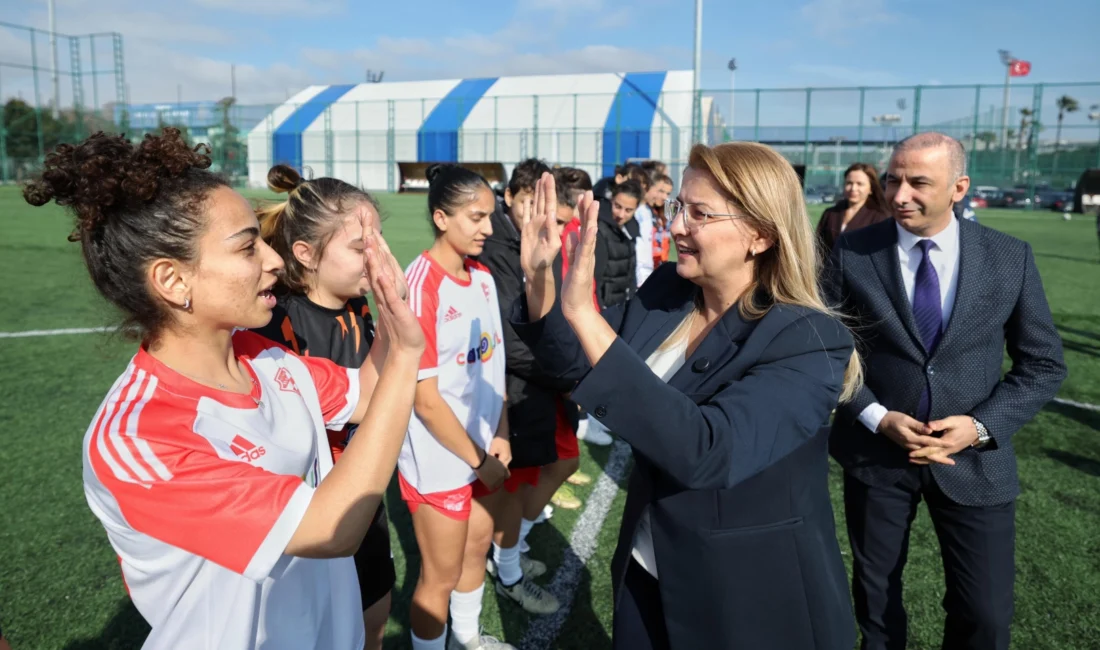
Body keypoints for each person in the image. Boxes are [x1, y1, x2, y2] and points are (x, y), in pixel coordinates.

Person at [24, 129, 423, 650]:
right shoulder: (138, 437)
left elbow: (368, 394)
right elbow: (329, 528)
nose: (274, 260)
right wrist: (407, 354)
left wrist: (393, 317)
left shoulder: (268, 359)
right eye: (247, 247)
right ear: (173, 281)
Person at [513, 143, 861, 650]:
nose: (676, 226)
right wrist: (540, 276)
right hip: (648, 564)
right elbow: (573, 363)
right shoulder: (668, 292)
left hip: (747, 596)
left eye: (700, 213)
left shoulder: (807, 339)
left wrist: (583, 312)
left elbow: (708, 451)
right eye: (679, 206)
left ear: (761, 234)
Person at [824, 132, 1067, 650]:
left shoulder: (1010, 257)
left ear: (959, 187)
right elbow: (827, 351)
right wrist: (876, 417)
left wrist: (978, 427)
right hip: (876, 455)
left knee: (985, 616)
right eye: (893, 180)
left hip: (975, 462)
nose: (899, 195)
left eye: (918, 182)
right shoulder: (853, 251)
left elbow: (1044, 364)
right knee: (876, 608)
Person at [250, 164, 396, 650]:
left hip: (365, 503)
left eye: (378, 241)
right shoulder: (276, 326)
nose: (375, 257)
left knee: (373, 625)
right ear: (305, 254)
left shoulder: (361, 308)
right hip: (306, 519)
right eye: (360, 247)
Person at [400, 164, 514, 650]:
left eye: (490, 215)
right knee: (439, 577)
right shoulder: (420, 284)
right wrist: (478, 459)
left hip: (485, 449)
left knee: (476, 549)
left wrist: (501, 431)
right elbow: (425, 400)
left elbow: (495, 364)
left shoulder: (483, 277)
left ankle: (467, 638)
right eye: (476, 217)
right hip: (441, 459)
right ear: (441, 218)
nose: (488, 227)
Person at [475, 158, 563, 615]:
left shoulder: (523, 238)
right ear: (508, 196)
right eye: (527, 201)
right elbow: (510, 337)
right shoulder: (495, 247)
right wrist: (562, 371)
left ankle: (507, 558)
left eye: (541, 203)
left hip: (530, 382)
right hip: (512, 385)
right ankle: (506, 571)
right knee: (506, 487)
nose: (534, 212)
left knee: (521, 481)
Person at [815, 162, 889, 254]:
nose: (853, 188)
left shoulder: (879, 218)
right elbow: (818, 248)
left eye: (859, 184)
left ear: (871, 189)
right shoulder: (830, 213)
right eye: (849, 183)